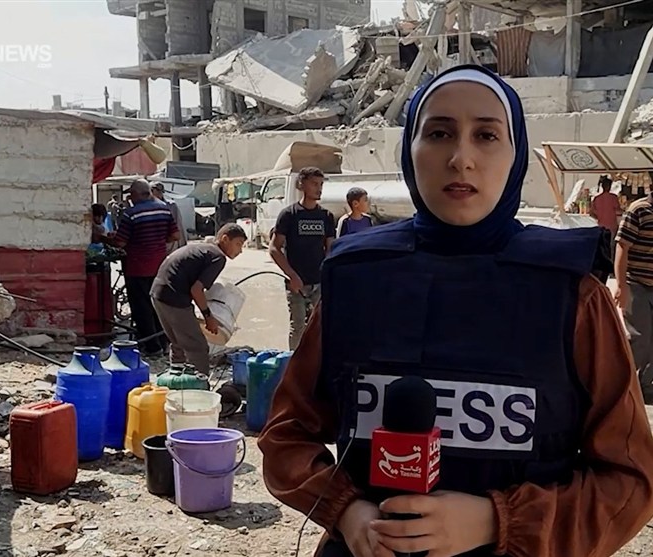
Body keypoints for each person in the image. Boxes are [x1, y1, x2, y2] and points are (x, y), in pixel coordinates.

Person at [258, 65, 653, 557]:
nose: (461, 158)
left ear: (516, 155)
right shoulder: (358, 279)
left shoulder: (573, 294)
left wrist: (497, 521)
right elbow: (286, 438)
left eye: (486, 135)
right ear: (410, 150)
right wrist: (348, 512)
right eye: (439, 133)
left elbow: (630, 482)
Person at [150, 224, 247, 374]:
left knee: (178, 343)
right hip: (175, 298)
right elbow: (196, 290)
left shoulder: (204, 248)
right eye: (238, 244)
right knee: (198, 347)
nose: (240, 251)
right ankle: (200, 384)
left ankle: (176, 380)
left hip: (158, 293)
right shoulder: (218, 257)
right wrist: (209, 317)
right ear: (225, 239)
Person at [269, 166, 335, 350]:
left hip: (319, 283)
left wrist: (328, 276)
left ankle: (319, 362)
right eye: (314, 184)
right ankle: (294, 363)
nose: (319, 188)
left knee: (321, 326)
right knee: (298, 327)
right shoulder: (289, 215)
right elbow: (274, 248)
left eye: (321, 184)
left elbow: (330, 249)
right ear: (301, 185)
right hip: (296, 284)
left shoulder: (326, 216)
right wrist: (292, 275)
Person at [114, 179, 180, 357]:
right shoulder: (164, 209)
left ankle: (152, 348)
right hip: (160, 266)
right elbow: (175, 235)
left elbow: (120, 242)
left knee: (141, 308)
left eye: (131, 194)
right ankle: (164, 344)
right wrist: (158, 242)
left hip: (137, 267)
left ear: (137, 194)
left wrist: (105, 238)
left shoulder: (131, 213)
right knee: (158, 305)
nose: (130, 198)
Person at [615, 190, 653, 403]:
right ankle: (624, 386)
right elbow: (622, 247)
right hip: (636, 284)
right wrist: (621, 285)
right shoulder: (638, 210)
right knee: (640, 338)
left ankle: (645, 386)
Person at [151, 181, 188, 254]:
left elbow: (179, 225)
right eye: (156, 190)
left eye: (160, 191)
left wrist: (182, 246)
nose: (159, 194)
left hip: (171, 245)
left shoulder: (171, 206)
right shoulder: (147, 206)